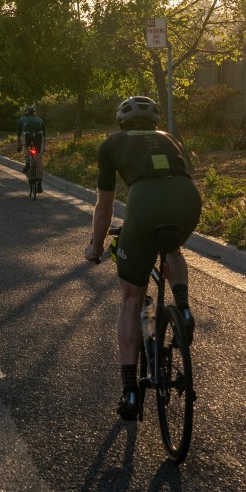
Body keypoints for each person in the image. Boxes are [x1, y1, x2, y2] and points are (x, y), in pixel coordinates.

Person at [84, 96, 201, 420]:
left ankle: (131, 391)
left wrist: (95, 248)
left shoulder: (111, 144)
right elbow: (181, 174)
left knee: (131, 299)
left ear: (121, 121)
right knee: (173, 248)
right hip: (187, 199)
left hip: (144, 203)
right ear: (154, 121)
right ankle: (184, 309)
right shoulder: (170, 138)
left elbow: (104, 208)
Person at [17, 105, 45, 188]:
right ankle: (39, 181)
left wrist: (19, 146)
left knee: (25, 146)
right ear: (34, 113)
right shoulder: (40, 120)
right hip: (38, 138)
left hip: (28, 136)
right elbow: (44, 136)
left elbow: (18, 136)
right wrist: (44, 148)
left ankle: (27, 161)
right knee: (39, 158)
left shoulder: (21, 119)